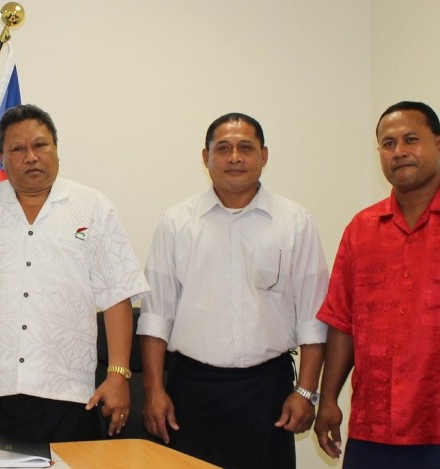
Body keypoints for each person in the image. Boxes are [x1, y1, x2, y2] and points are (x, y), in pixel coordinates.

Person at [0, 104, 148, 446]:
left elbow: (117, 294)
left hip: (68, 393)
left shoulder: (92, 207)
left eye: (40, 145)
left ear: (56, 150)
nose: (31, 156)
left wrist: (118, 374)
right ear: (1, 158)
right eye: (17, 148)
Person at [138, 112, 329, 469]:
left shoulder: (296, 222)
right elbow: (155, 317)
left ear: (264, 156)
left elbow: (313, 316)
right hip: (191, 390)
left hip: (267, 389)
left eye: (246, 147)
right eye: (223, 148)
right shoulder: (176, 223)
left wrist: (305, 392)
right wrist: (153, 390)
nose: (235, 157)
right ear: (205, 157)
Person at [315, 101, 440, 468]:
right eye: (388, 144)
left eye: (411, 139)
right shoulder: (362, 229)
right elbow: (343, 322)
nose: (400, 152)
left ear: (439, 144)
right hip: (373, 428)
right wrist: (327, 399)